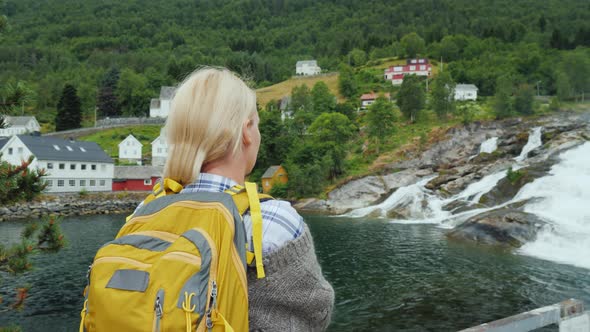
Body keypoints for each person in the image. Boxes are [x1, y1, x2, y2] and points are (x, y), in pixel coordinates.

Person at [160, 67, 334, 331]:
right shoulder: (274, 220)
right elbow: (317, 313)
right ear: (247, 131)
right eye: (257, 124)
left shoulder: (145, 211)